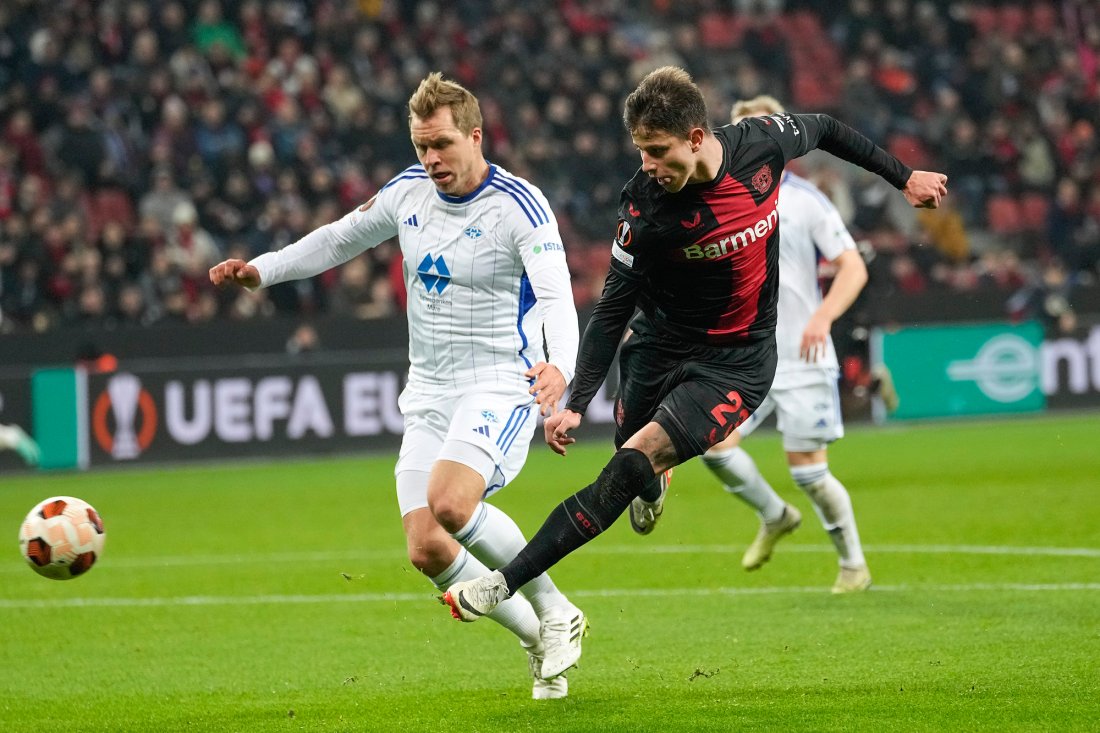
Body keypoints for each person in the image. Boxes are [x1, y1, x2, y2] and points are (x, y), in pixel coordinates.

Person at [441, 67, 947, 670]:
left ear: (698, 136)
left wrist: (904, 177)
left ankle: (503, 583)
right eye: (641, 152)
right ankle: (651, 484)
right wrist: (578, 398)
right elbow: (612, 308)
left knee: (628, 462)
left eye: (658, 151)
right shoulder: (645, 207)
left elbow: (830, 129)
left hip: (736, 363)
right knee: (637, 463)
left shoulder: (762, 143)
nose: (649, 164)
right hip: (656, 347)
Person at [209, 73, 583, 700]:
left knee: (452, 504)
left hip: (497, 382)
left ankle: (556, 608)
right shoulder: (407, 194)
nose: (431, 159)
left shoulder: (520, 204)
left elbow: (555, 294)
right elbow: (336, 239)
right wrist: (262, 272)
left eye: (441, 144)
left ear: (475, 135)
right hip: (429, 390)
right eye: (420, 147)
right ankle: (534, 634)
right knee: (427, 549)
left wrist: (560, 367)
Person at [695, 95, 871, 593]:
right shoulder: (716, 198)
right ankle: (775, 516)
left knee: (810, 474)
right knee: (713, 444)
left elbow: (853, 266)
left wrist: (823, 316)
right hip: (744, 357)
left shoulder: (804, 199)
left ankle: (853, 564)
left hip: (801, 353)